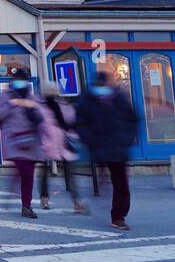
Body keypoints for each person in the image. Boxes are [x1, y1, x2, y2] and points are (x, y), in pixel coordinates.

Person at [74, 70, 140, 230]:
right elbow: (80, 124)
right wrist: (91, 141)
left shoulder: (119, 98)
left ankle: (118, 216)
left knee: (121, 183)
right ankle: (111, 208)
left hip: (118, 147)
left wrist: (126, 140)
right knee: (111, 180)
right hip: (101, 146)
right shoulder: (87, 101)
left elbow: (133, 120)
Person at [0, 78, 47, 218]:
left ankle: (25, 205)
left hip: (31, 143)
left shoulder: (33, 98)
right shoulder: (6, 97)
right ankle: (25, 205)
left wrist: (31, 107)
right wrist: (12, 104)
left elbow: (42, 117)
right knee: (24, 172)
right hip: (15, 142)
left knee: (27, 175)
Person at [40, 83, 87, 214]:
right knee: (68, 174)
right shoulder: (62, 105)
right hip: (57, 143)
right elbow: (71, 123)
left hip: (52, 144)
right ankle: (76, 202)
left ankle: (45, 199)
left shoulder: (42, 107)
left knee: (46, 174)